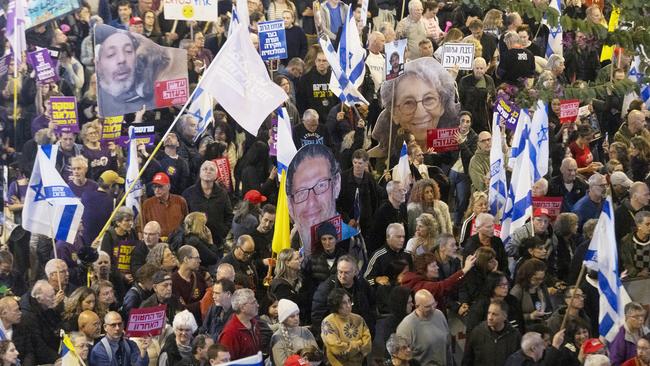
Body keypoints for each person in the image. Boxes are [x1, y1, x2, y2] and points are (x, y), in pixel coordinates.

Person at [373, 57, 460, 157]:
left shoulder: (453, 149)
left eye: (429, 99)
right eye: (408, 103)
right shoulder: (382, 157)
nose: (420, 113)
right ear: (394, 113)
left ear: (442, 105)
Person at [286, 144, 341, 255]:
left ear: (336, 184)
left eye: (321, 185)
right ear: (290, 206)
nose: (311, 202)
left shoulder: (350, 242)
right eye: (301, 192)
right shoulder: (293, 243)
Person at [94, 26, 156, 115]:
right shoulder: (96, 101)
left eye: (128, 51)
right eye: (111, 54)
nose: (122, 59)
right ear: (98, 65)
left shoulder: (150, 99)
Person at [311, 255, 375, 338]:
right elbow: (317, 315)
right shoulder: (327, 288)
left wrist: (370, 331)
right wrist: (327, 338)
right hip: (336, 337)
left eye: (346, 272)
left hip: (361, 335)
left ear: (355, 272)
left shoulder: (363, 285)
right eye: (340, 272)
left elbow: (372, 307)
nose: (342, 276)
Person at [183, 160, 234, 246]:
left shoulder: (222, 194)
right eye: (205, 169)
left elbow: (229, 216)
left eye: (212, 169)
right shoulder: (188, 193)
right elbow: (183, 216)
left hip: (217, 242)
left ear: (216, 175)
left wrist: (223, 232)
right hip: (195, 243)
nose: (208, 171)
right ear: (200, 173)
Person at [396, 289, 451, 365]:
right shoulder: (406, 326)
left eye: (434, 304)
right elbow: (401, 360)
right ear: (417, 306)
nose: (433, 309)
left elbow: (448, 345)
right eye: (428, 306)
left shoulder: (439, 314)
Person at [321, 288, 371, 366]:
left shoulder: (359, 319)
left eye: (349, 301)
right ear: (336, 305)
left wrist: (350, 347)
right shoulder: (328, 322)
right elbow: (336, 348)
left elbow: (367, 345)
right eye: (344, 303)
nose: (348, 305)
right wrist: (358, 344)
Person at [463, 299, 522, 366]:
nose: (490, 317)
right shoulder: (477, 332)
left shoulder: (515, 335)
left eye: (494, 314)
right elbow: (467, 360)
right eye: (489, 313)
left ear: (504, 316)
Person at [17, 280, 61, 365]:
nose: (55, 298)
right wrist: (58, 358)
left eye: (54, 295)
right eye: (51, 297)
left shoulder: (45, 304)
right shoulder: (28, 316)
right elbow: (38, 345)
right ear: (39, 299)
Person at [270, 299, 319, 365]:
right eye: (292, 316)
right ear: (284, 319)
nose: (296, 318)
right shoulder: (277, 337)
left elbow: (317, 356)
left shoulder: (305, 331)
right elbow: (281, 364)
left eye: (297, 314)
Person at [218, 289, 263, 360]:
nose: (257, 305)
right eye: (253, 302)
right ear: (242, 308)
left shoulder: (254, 323)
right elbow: (226, 362)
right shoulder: (229, 333)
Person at [141, 172, 189, 238]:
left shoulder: (180, 201)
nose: (157, 190)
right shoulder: (147, 204)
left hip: (178, 241)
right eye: (154, 187)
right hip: (156, 243)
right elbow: (142, 226)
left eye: (160, 186)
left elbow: (186, 224)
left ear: (168, 186)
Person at [510, 259, 553, 329]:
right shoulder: (517, 291)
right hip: (524, 329)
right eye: (536, 279)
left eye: (542, 279)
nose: (539, 282)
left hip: (541, 327)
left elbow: (549, 308)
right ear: (527, 276)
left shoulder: (542, 288)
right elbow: (511, 317)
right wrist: (530, 316)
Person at [172, 245, 207, 323]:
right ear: (186, 259)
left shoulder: (198, 277)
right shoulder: (173, 281)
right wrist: (201, 303)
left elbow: (207, 297)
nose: (200, 261)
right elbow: (181, 309)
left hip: (200, 321)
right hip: (184, 324)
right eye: (197, 258)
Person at [459, 58, 496, 133]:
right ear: (473, 68)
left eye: (481, 68)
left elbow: (494, 97)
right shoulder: (464, 80)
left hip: (485, 118)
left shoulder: (489, 80)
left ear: (486, 69)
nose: (479, 70)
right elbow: (460, 100)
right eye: (477, 68)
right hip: (470, 117)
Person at [619, 211, 650, 278]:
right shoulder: (627, 241)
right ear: (639, 225)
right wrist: (638, 273)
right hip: (633, 280)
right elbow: (626, 263)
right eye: (647, 224)